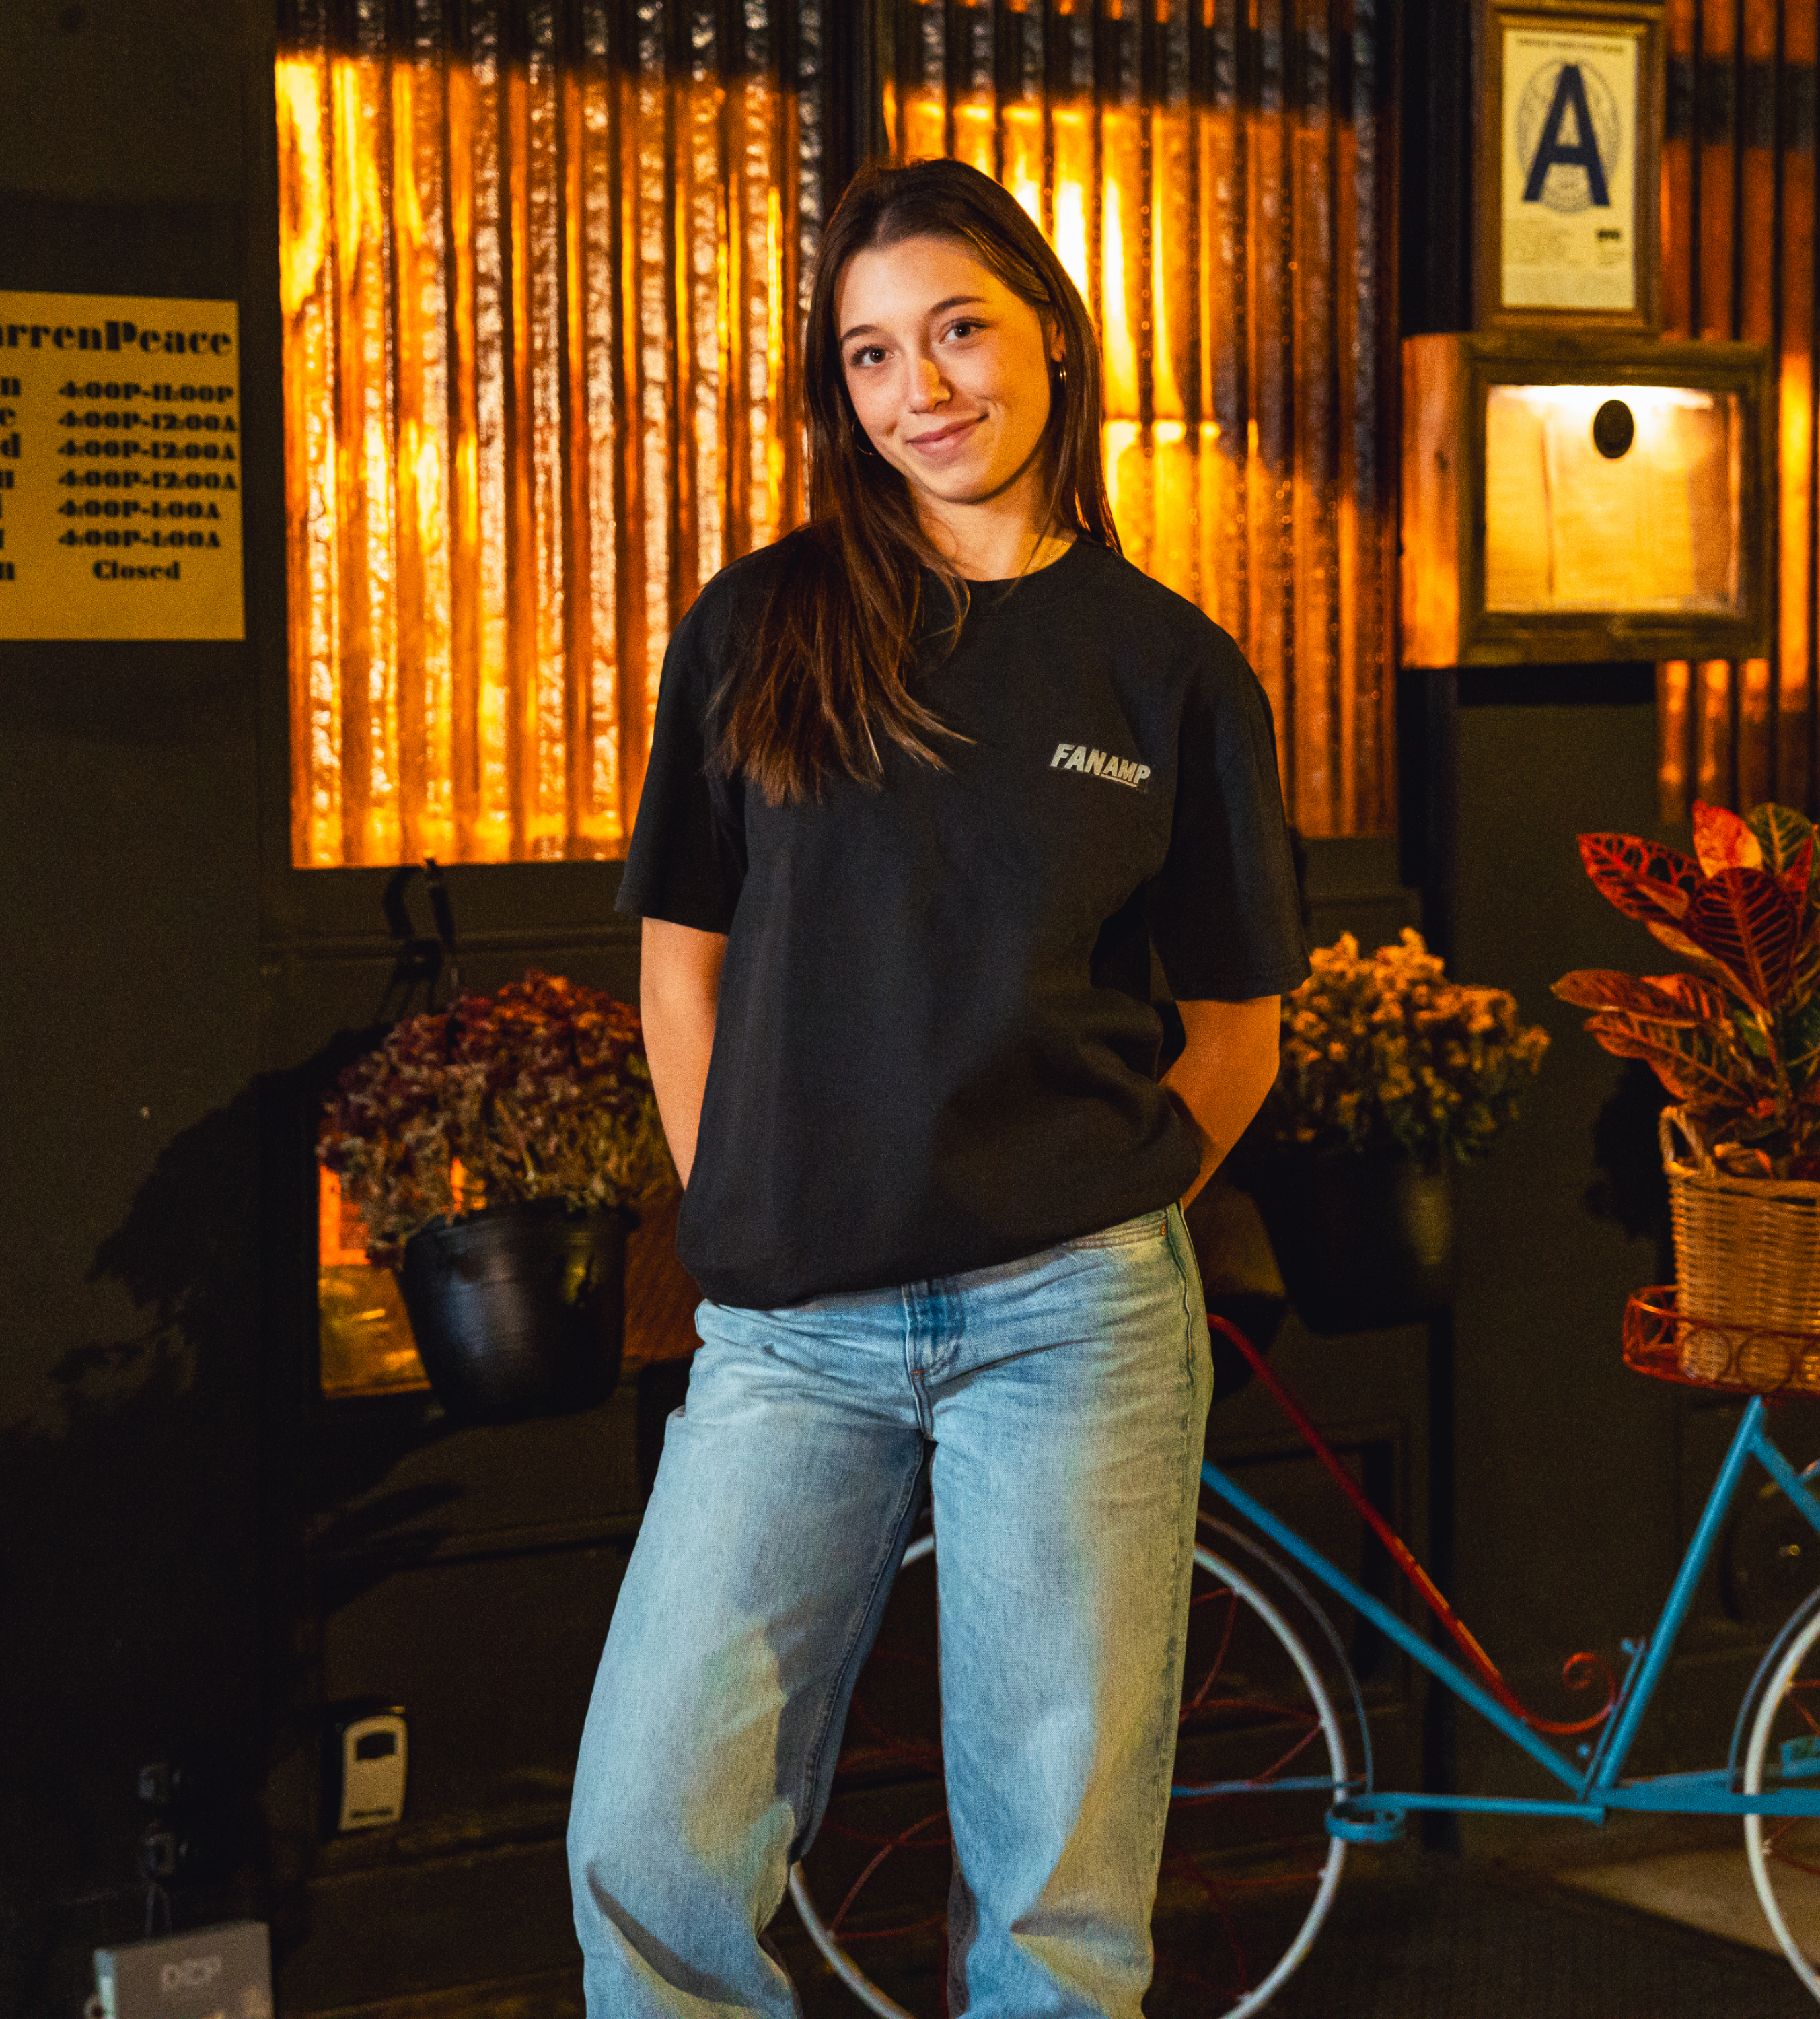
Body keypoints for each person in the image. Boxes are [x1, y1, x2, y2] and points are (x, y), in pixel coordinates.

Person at [566, 155, 1309, 2018]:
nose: (924, 391)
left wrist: (1086, 1204)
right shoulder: (761, 630)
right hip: (787, 1335)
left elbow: (1237, 1023)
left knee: (1053, 1913)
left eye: (959, 330)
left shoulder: (1173, 673)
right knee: (649, 1847)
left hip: (1077, 1328)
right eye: (875, 356)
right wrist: (760, 1196)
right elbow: (684, 960)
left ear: (1049, 333)